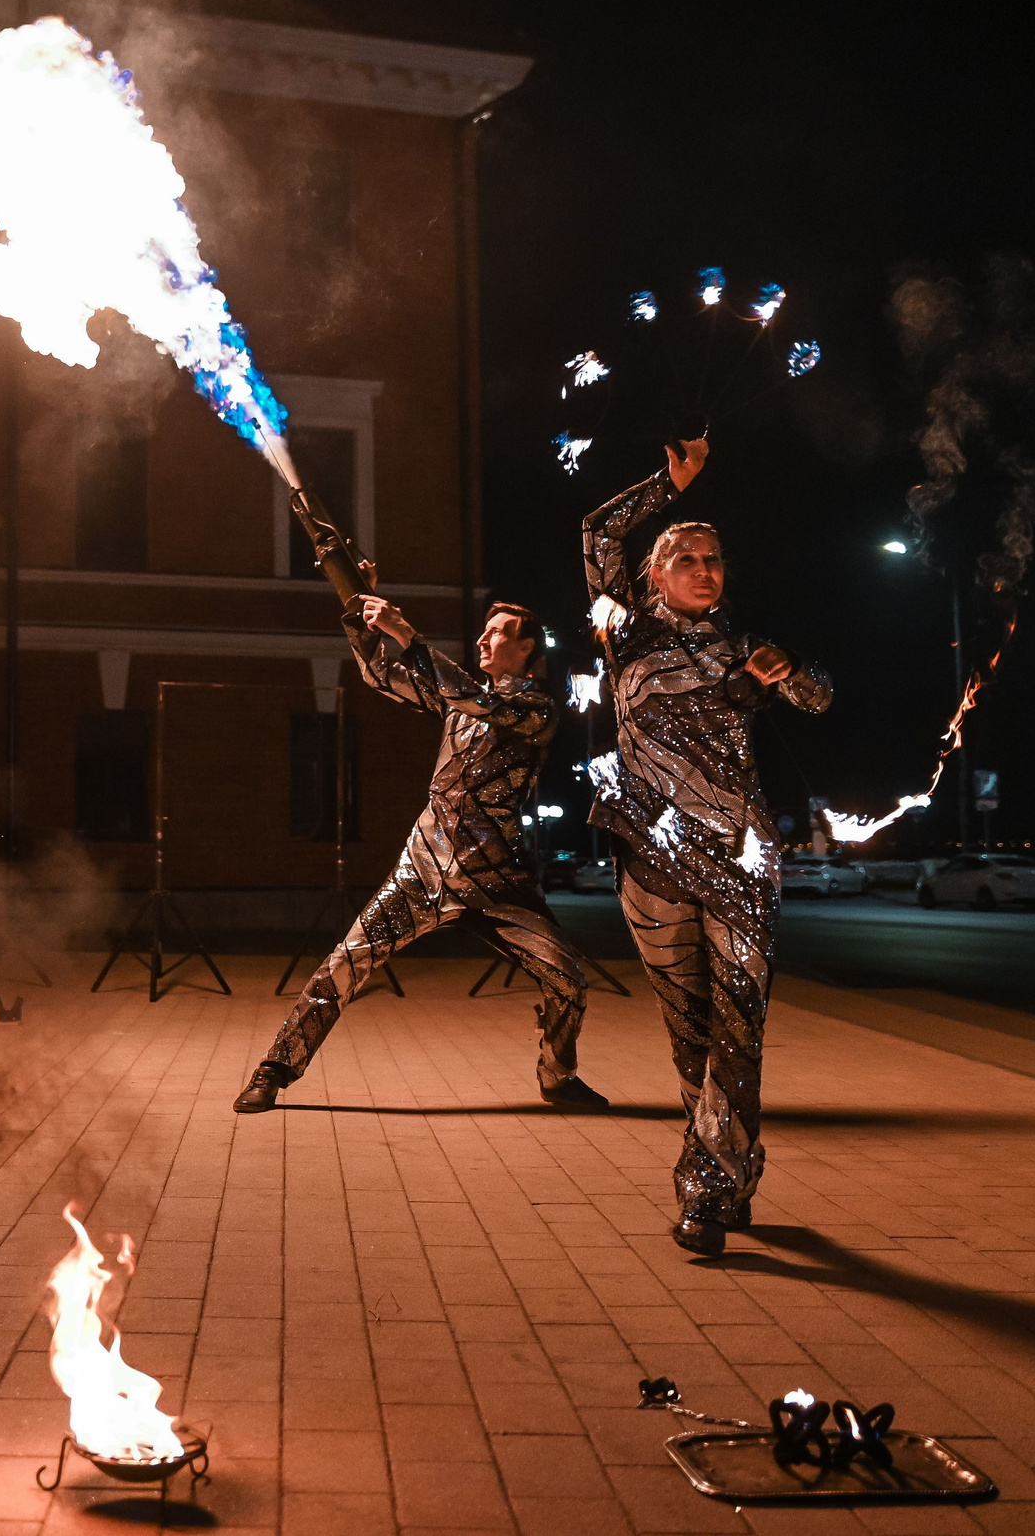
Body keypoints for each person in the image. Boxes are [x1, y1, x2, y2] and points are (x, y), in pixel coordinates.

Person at [583, 440, 833, 1256]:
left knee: (740, 1024)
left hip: (741, 857)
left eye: (713, 558)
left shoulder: (743, 646)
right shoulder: (621, 633)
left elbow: (821, 695)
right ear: (653, 575)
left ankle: (707, 1189)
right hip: (652, 857)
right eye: (684, 558)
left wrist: (787, 664)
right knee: (690, 1029)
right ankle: (733, 1160)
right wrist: (668, 485)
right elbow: (596, 532)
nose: (702, 568)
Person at [235, 589, 612, 1114]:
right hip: (424, 868)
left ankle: (558, 1077)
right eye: (486, 629)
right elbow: (381, 676)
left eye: (500, 631)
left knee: (567, 978)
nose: (485, 637)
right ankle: (273, 1070)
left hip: (498, 881)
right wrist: (357, 613)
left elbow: (475, 699)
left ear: (527, 647)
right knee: (345, 964)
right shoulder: (460, 700)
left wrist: (407, 633)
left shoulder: (534, 709)